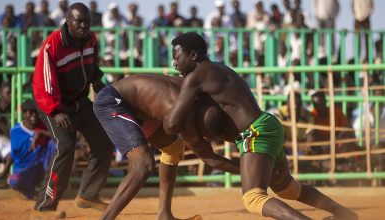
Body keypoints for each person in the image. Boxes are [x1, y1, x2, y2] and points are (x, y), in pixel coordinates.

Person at [163, 32, 358, 220]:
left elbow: (171, 125)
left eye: (176, 56)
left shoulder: (195, 77)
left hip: (255, 132)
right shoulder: (219, 68)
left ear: (193, 55)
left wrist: (161, 116)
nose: (174, 63)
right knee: (287, 188)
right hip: (269, 124)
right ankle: (344, 214)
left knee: (253, 198)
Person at [93, 74, 239, 220]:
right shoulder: (179, 116)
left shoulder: (203, 95)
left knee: (173, 147)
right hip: (112, 101)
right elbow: (210, 158)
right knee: (143, 165)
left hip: (137, 106)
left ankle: (164, 215)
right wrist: (249, 174)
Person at [32, 3, 114, 218]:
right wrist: (56, 111)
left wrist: (97, 81)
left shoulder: (91, 39)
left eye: (87, 21)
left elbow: (92, 64)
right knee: (65, 147)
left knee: (104, 143)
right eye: (79, 21)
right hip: (53, 104)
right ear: (68, 21)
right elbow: (44, 83)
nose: (84, 25)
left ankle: (88, 194)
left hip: (79, 102)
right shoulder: (52, 45)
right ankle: (44, 208)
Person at [8, 100, 54, 199]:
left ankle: (46, 187)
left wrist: (41, 132)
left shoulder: (43, 126)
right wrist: (3, 173)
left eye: (36, 111)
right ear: (24, 114)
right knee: (14, 181)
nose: (34, 115)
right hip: (26, 169)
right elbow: (13, 155)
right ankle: (31, 191)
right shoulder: (15, 131)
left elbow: (59, 137)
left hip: (42, 168)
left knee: (54, 143)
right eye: (30, 112)